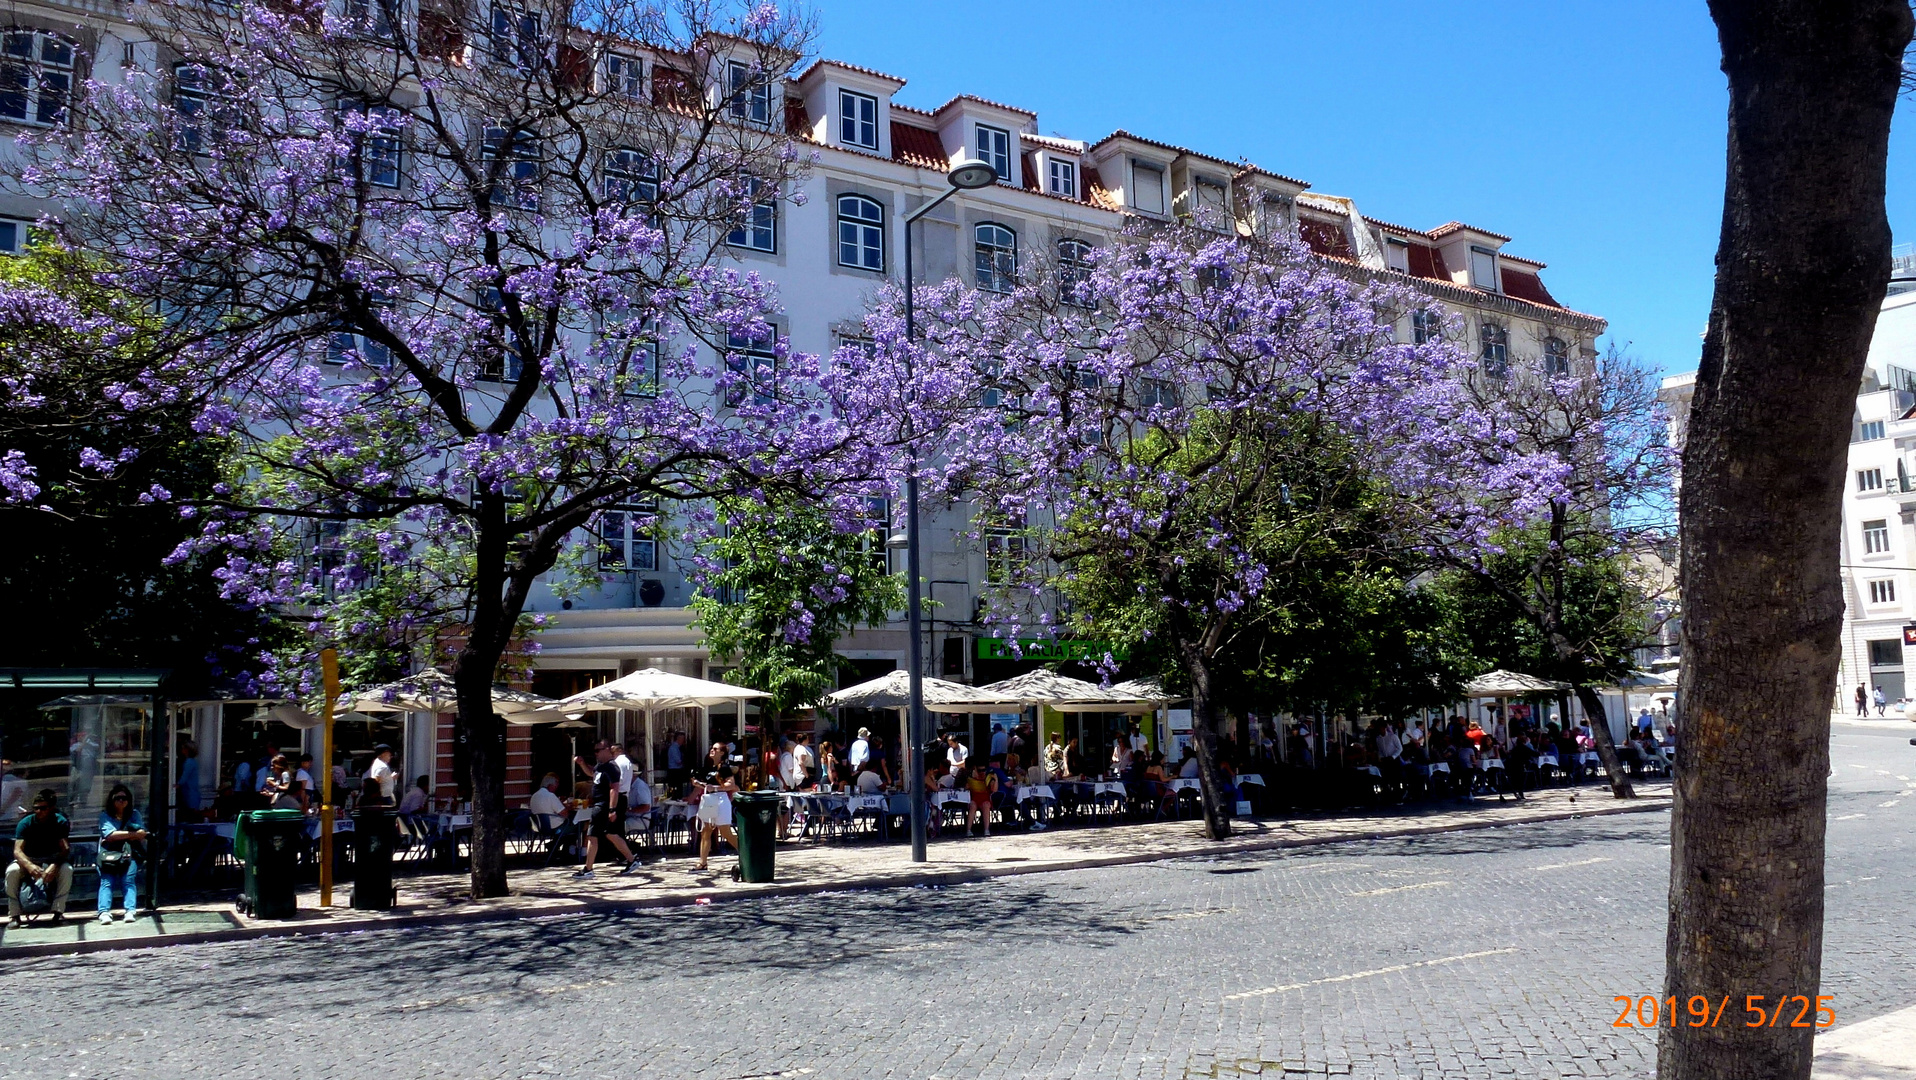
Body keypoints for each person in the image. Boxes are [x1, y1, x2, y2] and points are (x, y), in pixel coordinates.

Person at [573, 742, 638, 879]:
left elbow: (614, 788)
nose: (596, 753)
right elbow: (592, 773)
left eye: (598, 750)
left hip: (603, 805)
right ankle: (632, 859)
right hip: (600, 804)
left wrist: (612, 809)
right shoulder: (601, 766)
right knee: (610, 834)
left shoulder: (612, 767)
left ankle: (588, 868)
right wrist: (582, 764)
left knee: (592, 835)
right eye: (595, 750)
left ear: (607, 750)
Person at [7, 790, 71, 927]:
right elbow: (17, 850)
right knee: (12, 871)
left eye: (43, 808)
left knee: (67, 870)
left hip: (52, 858)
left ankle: (58, 912)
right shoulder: (26, 823)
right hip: (29, 858)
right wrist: (29, 866)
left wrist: (54, 866)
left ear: (51, 808)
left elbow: (65, 848)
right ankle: (14, 915)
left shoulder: (60, 821)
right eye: (36, 808)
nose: (39, 811)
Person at [96, 784, 148, 924]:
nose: (121, 801)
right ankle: (104, 912)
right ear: (111, 800)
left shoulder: (134, 814)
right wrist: (131, 834)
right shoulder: (105, 816)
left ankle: (130, 910)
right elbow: (110, 834)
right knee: (107, 882)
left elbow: (142, 834)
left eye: (124, 798)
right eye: (117, 798)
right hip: (109, 854)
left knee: (128, 880)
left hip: (129, 853)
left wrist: (124, 835)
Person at [694, 765, 740, 872]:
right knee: (705, 832)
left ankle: (745, 852)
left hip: (721, 799)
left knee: (725, 832)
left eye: (716, 749)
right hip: (709, 799)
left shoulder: (724, 768)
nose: (712, 751)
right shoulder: (706, 767)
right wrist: (700, 784)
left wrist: (715, 788)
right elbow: (707, 785)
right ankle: (702, 862)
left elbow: (731, 785)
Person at [960, 762, 997, 837]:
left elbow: (994, 790)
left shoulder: (988, 778)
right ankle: (968, 830)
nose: (981, 772)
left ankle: (986, 829)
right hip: (974, 798)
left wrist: (996, 780)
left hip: (985, 798)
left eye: (983, 770)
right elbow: (965, 788)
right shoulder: (970, 778)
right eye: (979, 770)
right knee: (972, 805)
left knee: (986, 805)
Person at [175, 741, 204, 818]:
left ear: (188, 749)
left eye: (183, 748)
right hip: (191, 792)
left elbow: (185, 775)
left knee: (190, 814)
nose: (182, 750)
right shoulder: (192, 761)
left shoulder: (189, 762)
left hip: (190, 793)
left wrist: (178, 784)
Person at [0, 759, 27, 833]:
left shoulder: (7, 779)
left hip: (8, 816)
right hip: (8, 816)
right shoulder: (19, 782)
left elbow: (14, 797)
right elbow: (14, 797)